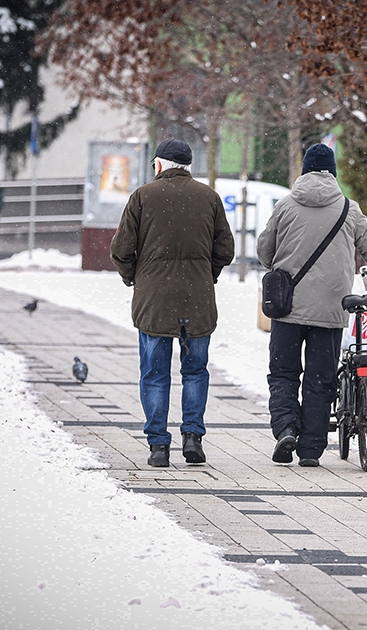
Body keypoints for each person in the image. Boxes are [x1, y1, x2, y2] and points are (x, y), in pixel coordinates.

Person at [257, 144, 367, 468]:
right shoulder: (349, 209)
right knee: (321, 380)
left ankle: (286, 428)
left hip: (287, 307)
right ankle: (310, 449)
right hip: (331, 310)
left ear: (305, 170)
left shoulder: (286, 205)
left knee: (283, 373)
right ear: (332, 172)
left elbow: (265, 253)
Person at [110, 139, 235, 468]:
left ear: (160, 165)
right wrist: (206, 275)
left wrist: (134, 277)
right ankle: (192, 436)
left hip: (154, 299)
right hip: (198, 299)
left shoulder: (142, 196)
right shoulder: (209, 197)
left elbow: (121, 249)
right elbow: (225, 249)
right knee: (195, 371)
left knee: (154, 373)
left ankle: (158, 446)